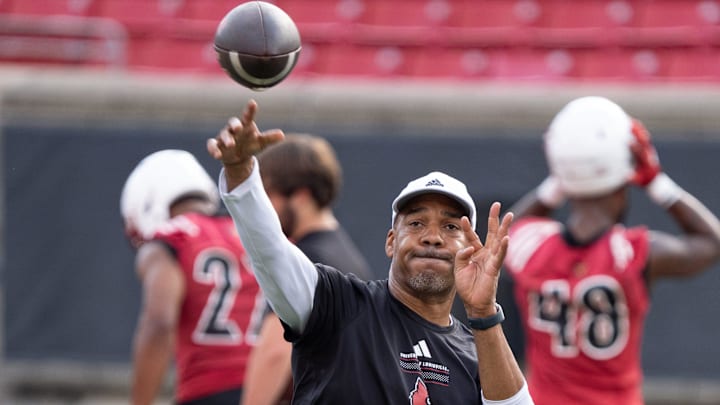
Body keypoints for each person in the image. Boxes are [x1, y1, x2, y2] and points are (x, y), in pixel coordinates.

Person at [206, 99, 533, 404]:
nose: (432, 237)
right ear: (391, 241)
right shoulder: (339, 305)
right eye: (417, 223)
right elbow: (272, 252)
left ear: (470, 249)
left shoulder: (478, 354)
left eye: (450, 228)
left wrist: (483, 313)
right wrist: (241, 175)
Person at [503, 96, 720, 405]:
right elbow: (711, 242)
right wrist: (656, 181)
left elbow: (504, 232)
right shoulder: (633, 254)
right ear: (623, 183)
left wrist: (559, 181)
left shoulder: (533, 247)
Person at [120, 149, 264, 405]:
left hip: (208, 391)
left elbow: (159, 324)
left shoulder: (171, 240)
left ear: (147, 202)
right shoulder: (256, 236)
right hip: (273, 389)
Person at [241, 133, 373, 405]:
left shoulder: (306, 258)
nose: (264, 210)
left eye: (268, 196)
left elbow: (275, 355)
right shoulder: (349, 257)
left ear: (300, 196)